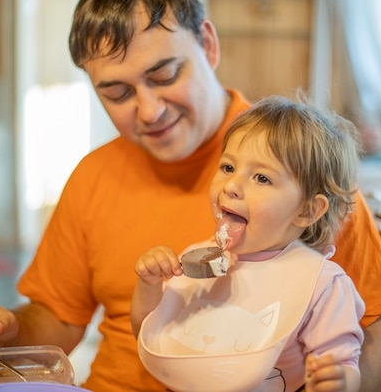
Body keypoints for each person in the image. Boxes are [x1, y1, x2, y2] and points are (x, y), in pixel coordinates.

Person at [0, 0, 381, 391]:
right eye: (117, 93)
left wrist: (343, 380)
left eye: (165, 74)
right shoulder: (95, 175)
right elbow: (59, 321)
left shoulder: (296, 172)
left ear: (209, 44)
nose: (149, 111)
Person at [132, 95, 365, 392]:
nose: (231, 186)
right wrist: (149, 284)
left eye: (262, 178)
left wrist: (340, 381)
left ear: (306, 210)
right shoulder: (195, 260)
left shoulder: (322, 285)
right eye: (228, 168)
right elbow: (150, 335)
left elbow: (344, 365)